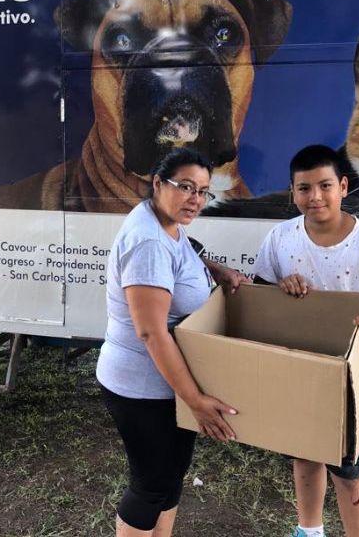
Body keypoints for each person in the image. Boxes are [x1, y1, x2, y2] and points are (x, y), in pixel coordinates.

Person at [253, 145, 359, 537]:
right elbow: (258, 297)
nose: (315, 197)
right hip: (299, 375)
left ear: (342, 186)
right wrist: (281, 288)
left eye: (324, 185)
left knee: (350, 475)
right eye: (304, 188)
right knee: (305, 459)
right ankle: (310, 530)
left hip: (355, 386)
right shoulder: (280, 239)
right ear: (292, 193)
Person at [96, 147, 250, 537]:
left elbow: (181, 254)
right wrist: (196, 400)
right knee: (150, 486)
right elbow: (151, 332)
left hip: (167, 384)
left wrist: (217, 270)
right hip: (142, 386)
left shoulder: (165, 225)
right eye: (185, 187)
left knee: (168, 478)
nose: (195, 199)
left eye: (202, 191)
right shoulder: (147, 242)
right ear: (157, 183)